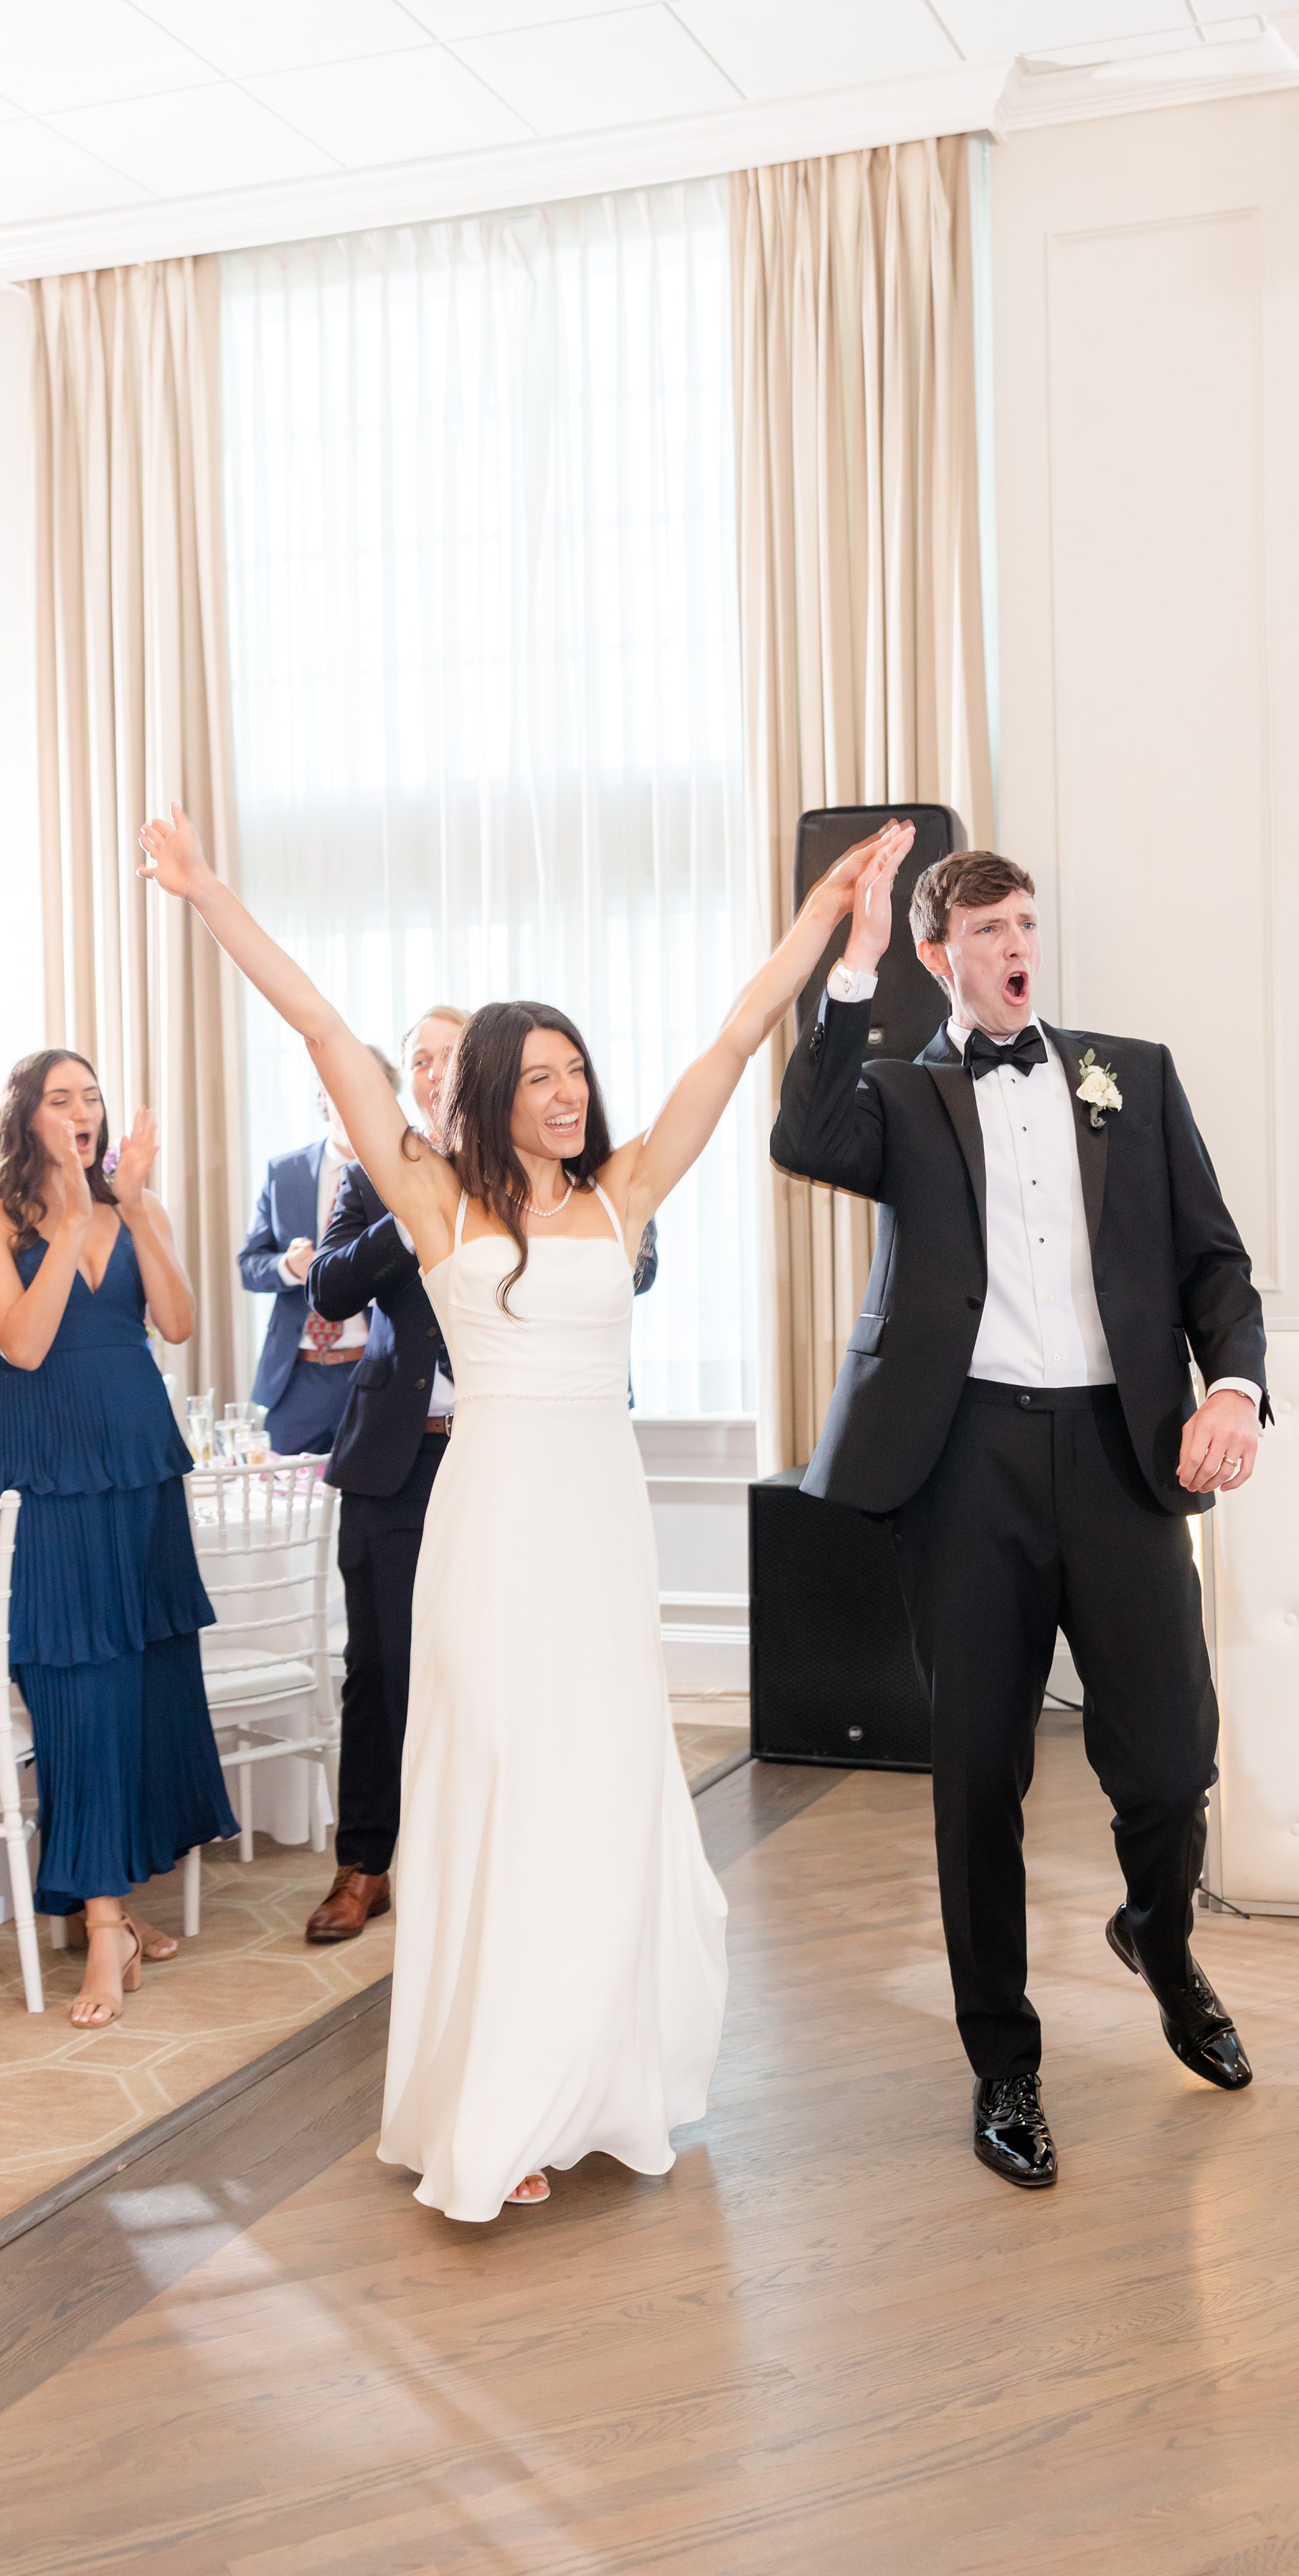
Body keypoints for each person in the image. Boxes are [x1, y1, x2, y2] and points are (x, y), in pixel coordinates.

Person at [137, 797, 906, 2221]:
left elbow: (733, 1038)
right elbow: (320, 1031)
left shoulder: (623, 1193)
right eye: (540, 1075)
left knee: (599, 1794)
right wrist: (207, 894)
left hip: (597, 1522)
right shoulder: (434, 1202)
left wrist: (834, 923)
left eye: (576, 1072)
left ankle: (596, 2079)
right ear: (488, 1088)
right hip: (491, 1528)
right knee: (502, 1791)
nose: (568, 1093)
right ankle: (505, 2102)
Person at [771, 846, 1270, 2192]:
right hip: (965, 1460)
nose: (1015, 945)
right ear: (944, 955)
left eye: (1027, 924)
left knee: (1171, 1762)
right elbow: (803, 1138)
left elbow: (1215, 1263)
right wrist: (853, 958)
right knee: (979, 1774)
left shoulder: (1132, 1076)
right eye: (987, 928)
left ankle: (1159, 1942)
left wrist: (1231, 1386)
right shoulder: (900, 1092)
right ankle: (1005, 2064)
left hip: (1121, 1453)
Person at [300, 1002, 662, 1948]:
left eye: (445, 1057)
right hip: (402, 1450)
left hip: (538, 1461)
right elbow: (331, 1288)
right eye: (416, 1057)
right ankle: (368, 1861)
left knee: (510, 1678)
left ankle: (502, 1868)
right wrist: (429, 1195)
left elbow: (639, 1261)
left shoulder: (573, 1180)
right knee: (384, 1666)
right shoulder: (397, 1179)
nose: (428, 1070)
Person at [0, 1051, 237, 2027]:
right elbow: (24, 1344)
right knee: (77, 1691)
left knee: (142, 1688)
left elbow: (176, 1324)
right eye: (62, 1100)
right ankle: (103, 1929)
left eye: (90, 1097)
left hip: (145, 1473)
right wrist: (71, 1219)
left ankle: (118, 1912)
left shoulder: (137, 1207)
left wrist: (131, 1207)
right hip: (62, 1485)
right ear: (27, 1119)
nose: (83, 1112)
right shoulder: (9, 1224)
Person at [236, 1052, 400, 1457]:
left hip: (373, 1369)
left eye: (364, 1090)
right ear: (323, 1095)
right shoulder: (284, 1172)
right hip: (296, 1377)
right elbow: (249, 1266)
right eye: (337, 1088)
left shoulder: (401, 1174)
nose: (349, 1100)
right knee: (283, 1510)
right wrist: (287, 1268)